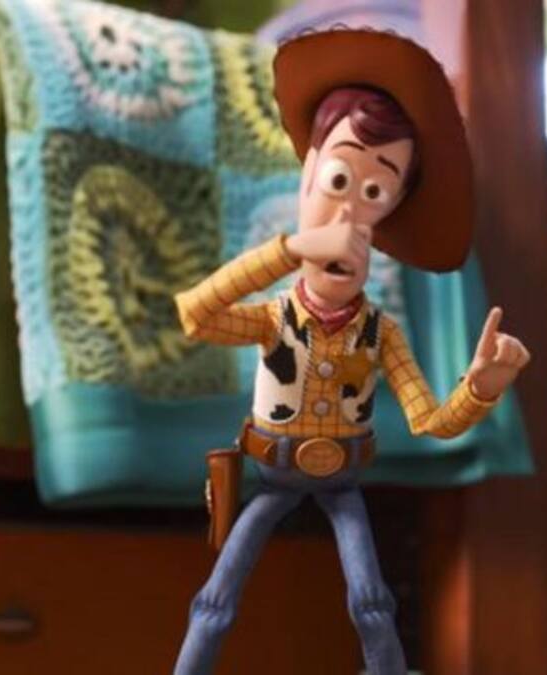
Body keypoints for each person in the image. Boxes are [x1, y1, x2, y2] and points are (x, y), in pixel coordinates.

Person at [172, 28, 529, 675]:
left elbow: (430, 421)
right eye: (338, 178)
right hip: (273, 474)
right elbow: (196, 315)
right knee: (216, 601)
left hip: (342, 481)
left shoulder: (380, 333)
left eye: (374, 194)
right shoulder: (274, 319)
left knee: (371, 603)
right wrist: (289, 250)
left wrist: (481, 384)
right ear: (307, 173)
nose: (348, 217)